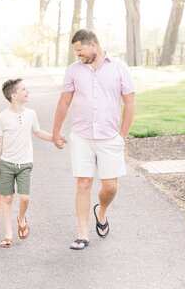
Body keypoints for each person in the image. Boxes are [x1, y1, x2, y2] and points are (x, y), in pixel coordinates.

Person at [52, 29, 136, 251]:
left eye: (80, 51)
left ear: (93, 45)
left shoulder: (119, 68)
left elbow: (130, 103)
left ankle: (101, 211)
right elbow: (63, 102)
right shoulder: (73, 71)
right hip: (81, 136)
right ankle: (82, 234)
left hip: (110, 137)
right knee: (83, 183)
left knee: (109, 187)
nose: (78, 55)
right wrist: (56, 131)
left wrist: (122, 137)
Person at [0, 78, 53, 248]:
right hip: (6, 163)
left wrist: (54, 138)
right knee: (7, 199)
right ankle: (8, 234)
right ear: (14, 95)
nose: (27, 91)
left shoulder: (31, 114)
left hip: (25, 163)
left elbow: (37, 132)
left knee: (24, 198)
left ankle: (21, 218)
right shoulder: (2, 117)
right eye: (24, 89)